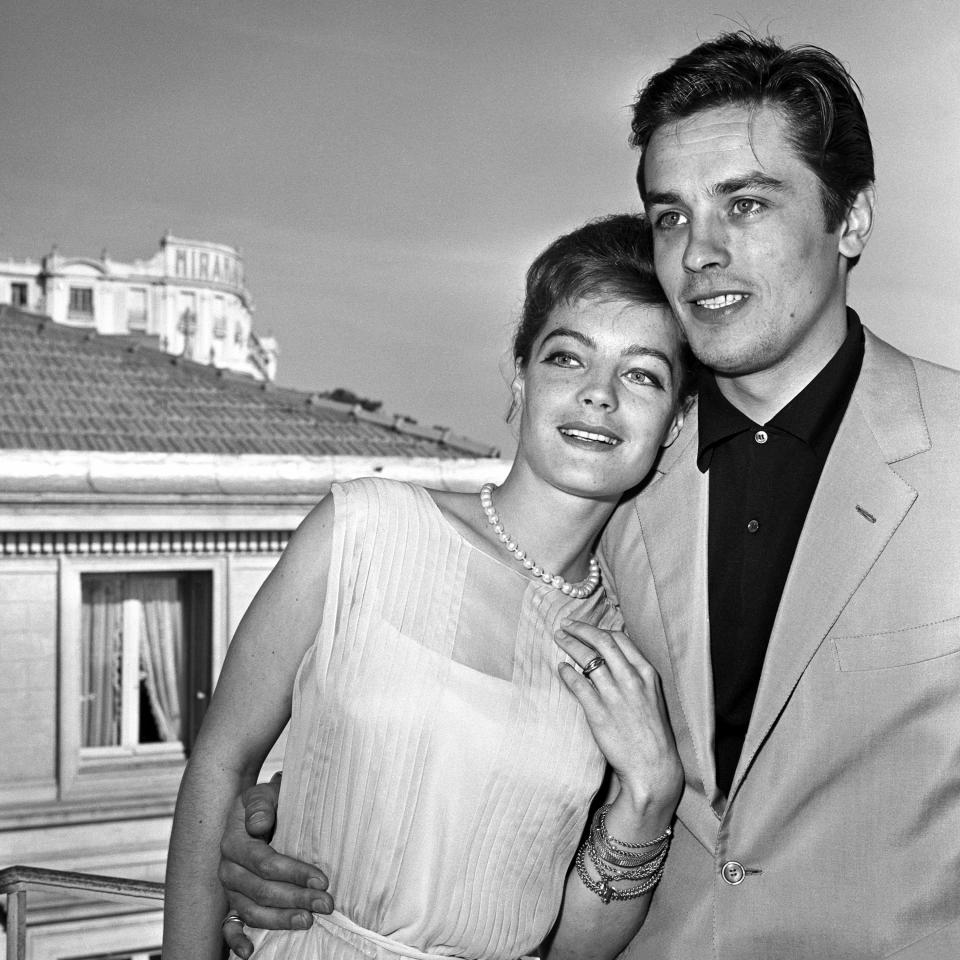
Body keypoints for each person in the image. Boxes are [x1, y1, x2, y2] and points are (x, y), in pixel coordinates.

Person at [216, 32, 960, 960]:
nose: (700, 252)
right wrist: (275, 818)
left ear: (850, 221)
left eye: (746, 203)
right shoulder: (611, 498)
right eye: (672, 216)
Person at [163, 213, 701, 960]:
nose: (599, 395)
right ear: (519, 374)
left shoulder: (630, 645)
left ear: (676, 418)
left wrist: (649, 792)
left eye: (641, 374)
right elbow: (221, 763)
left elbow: (577, 952)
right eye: (567, 358)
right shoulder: (362, 529)